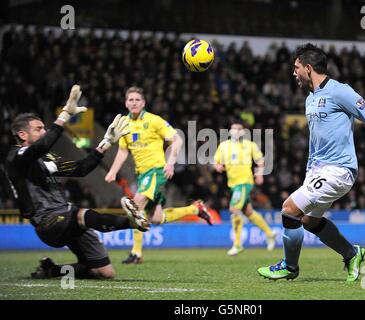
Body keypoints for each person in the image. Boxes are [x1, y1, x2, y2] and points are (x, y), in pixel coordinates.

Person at [257, 44, 365, 282]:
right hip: (318, 170)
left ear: (308, 68)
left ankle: (289, 267)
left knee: (289, 210)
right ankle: (352, 254)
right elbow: (316, 140)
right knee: (310, 221)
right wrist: (310, 171)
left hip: (339, 170)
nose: (294, 73)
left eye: (296, 67)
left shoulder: (340, 91)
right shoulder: (311, 99)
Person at [5, 85, 149, 279]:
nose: (44, 131)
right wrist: (64, 114)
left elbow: (80, 169)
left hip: (67, 217)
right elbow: (42, 145)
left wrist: (106, 143)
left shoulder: (47, 159)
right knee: (81, 215)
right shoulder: (17, 157)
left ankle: (51, 270)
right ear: (23, 135)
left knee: (105, 273)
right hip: (48, 222)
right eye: (38, 129)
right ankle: (131, 222)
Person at [105, 87, 212, 264]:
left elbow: (176, 139)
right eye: (130, 100)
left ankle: (136, 253)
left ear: (143, 103)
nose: (133, 103)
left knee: (136, 204)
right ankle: (195, 209)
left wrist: (170, 162)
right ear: (125, 103)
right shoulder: (123, 124)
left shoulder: (154, 120)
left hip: (155, 171)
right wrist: (113, 171)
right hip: (141, 174)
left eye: (137, 100)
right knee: (156, 218)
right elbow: (123, 151)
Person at [213, 121, 277, 256]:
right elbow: (216, 161)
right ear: (230, 131)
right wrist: (218, 166)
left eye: (238, 129)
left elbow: (260, 161)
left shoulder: (250, 145)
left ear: (243, 132)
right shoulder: (223, 146)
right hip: (233, 184)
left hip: (244, 182)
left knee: (234, 209)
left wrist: (259, 174)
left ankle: (237, 244)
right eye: (233, 128)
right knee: (248, 212)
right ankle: (270, 234)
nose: (236, 131)